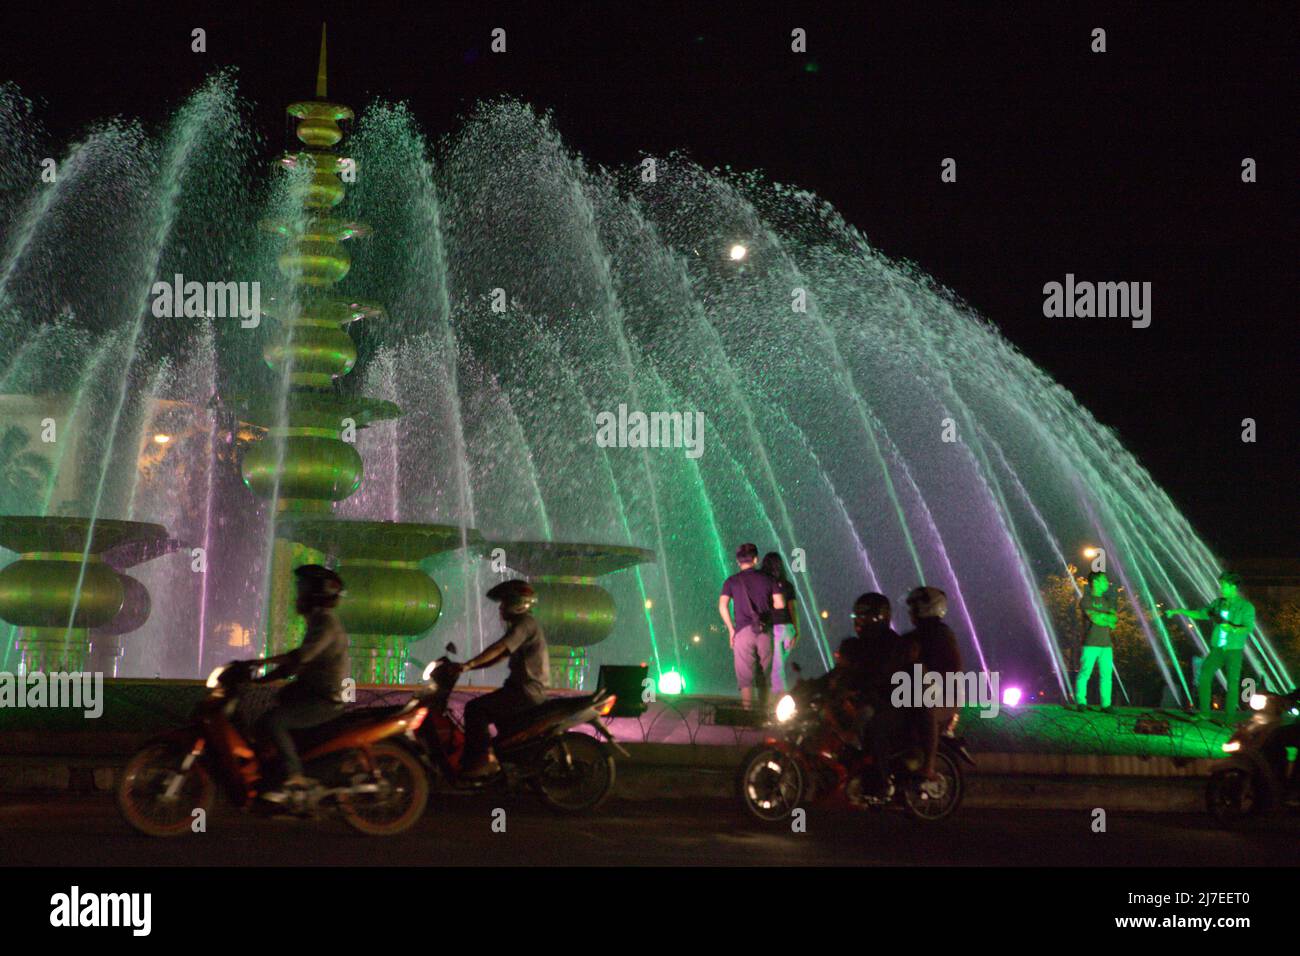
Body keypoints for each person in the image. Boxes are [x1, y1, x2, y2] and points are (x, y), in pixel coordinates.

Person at [253, 565, 350, 793]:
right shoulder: (318, 621)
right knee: (274, 704)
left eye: (302, 588)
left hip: (325, 699)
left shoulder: (326, 624)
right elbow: (296, 665)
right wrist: (263, 680)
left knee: (274, 721)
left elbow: (300, 657)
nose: (298, 594)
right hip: (310, 690)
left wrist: (261, 664)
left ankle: (294, 774)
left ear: (316, 593)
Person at [453, 580, 548, 777]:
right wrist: (469, 667)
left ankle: (483, 760)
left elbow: (498, 648)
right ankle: (505, 765)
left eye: (504, 603)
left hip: (525, 691)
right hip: (523, 690)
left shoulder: (524, 624)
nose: (501, 608)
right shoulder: (526, 624)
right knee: (502, 727)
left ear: (516, 604)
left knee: (475, 709)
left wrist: (468, 665)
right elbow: (500, 656)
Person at [842, 592, 915, 798]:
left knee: (874, 725)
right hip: (875, 699)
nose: (859, 621)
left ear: (879, 617)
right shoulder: (861, 644)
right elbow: (842, 671)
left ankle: (882, 782)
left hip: (895, 703)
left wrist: (862, 687)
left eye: (864, 617)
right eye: (857, 617)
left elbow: (882, 674)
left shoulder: (891, 644)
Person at [1164, 571, 1255, 719]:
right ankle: (1205, 713)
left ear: (1233, 587)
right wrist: (1179, 611)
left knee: (1233, 683)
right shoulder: (1217, 603)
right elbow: (1201, 614)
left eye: (1224, 586)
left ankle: (1230, 718)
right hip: (1217, 648)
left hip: (1234, 649)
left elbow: (1248, 627)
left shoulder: (1245, 607)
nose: (1221, 589)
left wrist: (1232, 628)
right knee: (1204, 676)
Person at [901, 586, 962, 781]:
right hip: (917, 692)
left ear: (928, 608)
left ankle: (928, 766)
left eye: (915, 607)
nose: (911, 612)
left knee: (925, 709)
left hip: (943, 697)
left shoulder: (941, 635)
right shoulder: (915, 635)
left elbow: (953, 669)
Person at [718, 543, 786, 707]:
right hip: (764, 630)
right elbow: (780, 604)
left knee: (745, 678)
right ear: (756, 559)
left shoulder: (731, 581)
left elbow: (722, 606)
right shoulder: (768, 579)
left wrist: (731, 629)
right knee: (767, 674)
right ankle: (767, 713)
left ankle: (748, 713)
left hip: (742, 632)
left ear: (737, 561)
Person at [1075, 570, 1118, 710]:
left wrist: (1103, 617)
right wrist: (1106, 618)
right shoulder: (1086, 600)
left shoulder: (1107, 600)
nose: (1107, 583)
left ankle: (1106, 705)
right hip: (1091, 643)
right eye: (1104, 580)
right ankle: (1081, 702)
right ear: (1095, 582)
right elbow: (1095, 619)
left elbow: (1114, 619)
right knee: (1085, 673)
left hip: (1106, 644)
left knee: (1107, 676)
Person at [760, 552, 800, 693]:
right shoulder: (788, 585)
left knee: (775, 668)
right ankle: (777, 698)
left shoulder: (765, 585)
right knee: (778, 666)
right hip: (788, 629)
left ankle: (779, 700)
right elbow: (793, 608)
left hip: (775, 629)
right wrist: (796, 630)